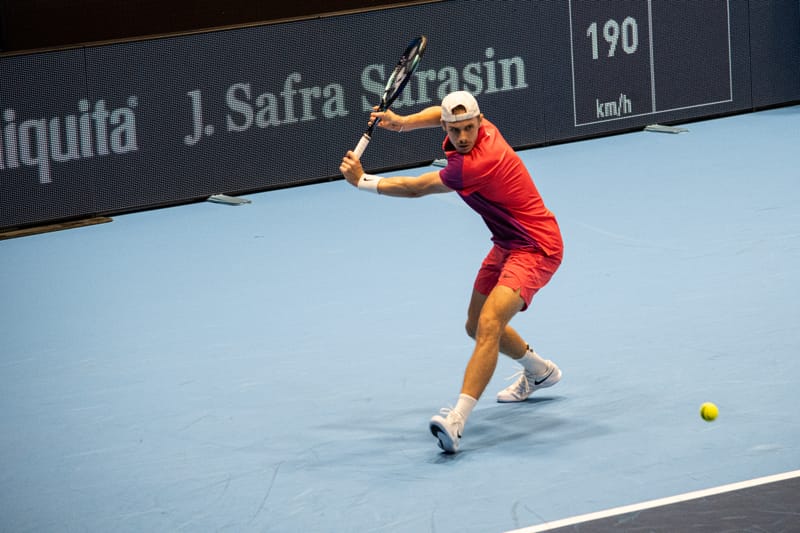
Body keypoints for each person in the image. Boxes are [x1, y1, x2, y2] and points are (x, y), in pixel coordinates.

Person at [339, 91, 564, 453]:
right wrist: (402, 123)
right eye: (455, 129)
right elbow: (439, 114)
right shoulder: (479, 127)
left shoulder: (473, 164)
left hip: (536, 247)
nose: (462, 136)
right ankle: (540, 371)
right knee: (474, 326)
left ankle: (457, 419)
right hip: (506, 243)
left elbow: (416, 189)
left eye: (468, 128)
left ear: (479, 122)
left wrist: (362, 181)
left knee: (490, 323)